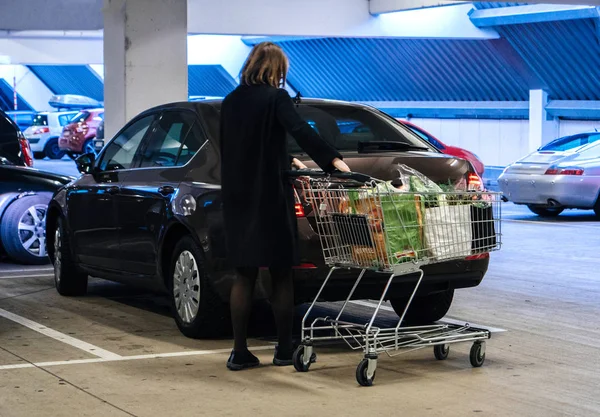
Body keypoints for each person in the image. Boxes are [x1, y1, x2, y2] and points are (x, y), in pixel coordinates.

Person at [220, 42, 350, 371]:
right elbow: (299, 129)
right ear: (276, 70)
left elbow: (241, 146)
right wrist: (332, 159)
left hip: (237, 195)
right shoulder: (275, 98)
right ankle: (283, 349)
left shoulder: (231, 101)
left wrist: (282, 156)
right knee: (280, 274)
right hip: (268, 196)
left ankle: (239, 352)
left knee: (244, 274)